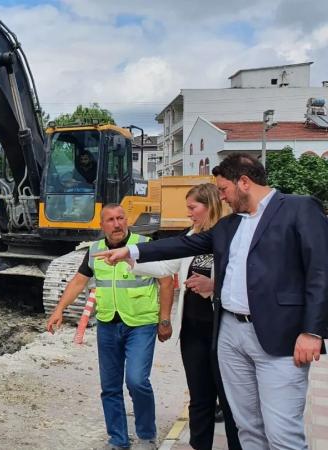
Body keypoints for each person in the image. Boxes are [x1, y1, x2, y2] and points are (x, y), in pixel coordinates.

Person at [96, 153, 328, 449]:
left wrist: (312, 331)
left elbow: (321, 270)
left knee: (282, 432)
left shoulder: (298, 208)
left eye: (223, 190)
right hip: (230, 334)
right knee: (248, 427)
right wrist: (131, 252)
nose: (222, 197)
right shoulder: (230, 224)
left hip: (278, 336)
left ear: (244, 182)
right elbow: (184, 244)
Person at [46, 204, 174, 450]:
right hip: (108, 324)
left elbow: (166, 282)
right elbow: (78, 281)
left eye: (120, 218)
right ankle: (118, 440)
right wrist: (59, 309)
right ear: (101, 225)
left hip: (141, 323)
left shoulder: (144, 245)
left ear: (127, 220)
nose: (117, 224)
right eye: (111, 220)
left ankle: (146, 436)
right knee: (110, 387)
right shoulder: (95, 250)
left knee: (137, 381)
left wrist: (165, 319)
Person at [130, 183, 241, 450]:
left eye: (193, 207)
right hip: (193, 331)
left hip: (223, 331)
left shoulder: (231, 235)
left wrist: (213, 287)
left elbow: (246, 281)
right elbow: (166, 265)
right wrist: (128, 259)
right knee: (200, 399)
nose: (188, 213)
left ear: (211, 205)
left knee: (230, 402)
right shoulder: (192, 234)